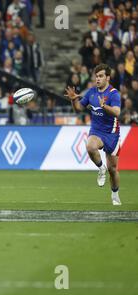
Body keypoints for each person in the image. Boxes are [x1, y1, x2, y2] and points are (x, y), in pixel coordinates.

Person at [65, 64, 122, 205]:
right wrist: (74, 100)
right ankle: (100, 168)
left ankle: (115, 194)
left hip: (112, 133)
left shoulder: (114, 93)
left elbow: (117, 112)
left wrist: (104, 106)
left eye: (101, 76)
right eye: (96, 76)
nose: (98, 79)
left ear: (108, 78)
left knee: (113, 169)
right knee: (90, 146)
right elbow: (78, 109)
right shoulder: (91, 92)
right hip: (96, 131)